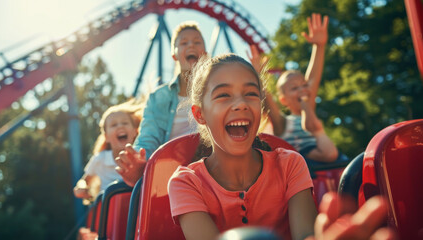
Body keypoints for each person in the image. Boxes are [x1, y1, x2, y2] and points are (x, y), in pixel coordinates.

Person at [167, 54, 394, 240]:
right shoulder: (185, 183)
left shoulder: (290, 164)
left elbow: (306, 235)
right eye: (223, 95)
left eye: (251, 94)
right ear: (200, 114)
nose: (241, 104)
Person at [115, 21, 207, 186]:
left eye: (197, 42)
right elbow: (148, 138)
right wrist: (138, 158)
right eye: (184, 42)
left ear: (205, 53)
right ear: (174, 54)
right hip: (170, 176)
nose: (191, 45)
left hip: (209, 171)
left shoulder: (218, 91)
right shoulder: (158, 98)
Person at [262, 13, 339, 163]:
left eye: (304, 85)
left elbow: (313, 78)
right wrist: (260, 76)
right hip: (296, 159)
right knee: (327, 153)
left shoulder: (308, 109)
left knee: (335, 155)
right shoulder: (282, 123)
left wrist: (319, 46)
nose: (302, 89)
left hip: (318, 156)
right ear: (283, 100)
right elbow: (267, 101)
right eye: (294, 88)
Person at [73, 99, 143, 202]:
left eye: (125, 123)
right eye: (114, 125)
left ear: (134, 132)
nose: (120, 126)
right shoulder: (100, 159)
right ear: (106, 137)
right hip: (108, 213)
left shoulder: (141, 156)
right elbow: (84, 181)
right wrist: (81, 188)